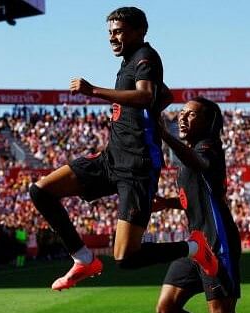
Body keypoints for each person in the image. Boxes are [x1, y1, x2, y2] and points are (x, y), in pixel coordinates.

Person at [29, 7, 217, 291]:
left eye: (118, 31)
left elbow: (145, 95)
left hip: (137, 166)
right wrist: (152, 109)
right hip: (111, 158)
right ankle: (83, 259)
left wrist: (93, 91)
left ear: (140, 31)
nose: (112, 38)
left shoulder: (146, 57)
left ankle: (194, 248)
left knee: (125, 257)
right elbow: (163, 95)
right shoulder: (129, 61)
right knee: (41, 190)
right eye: (109, 33)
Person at [153, 97, 250, 313]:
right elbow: (198, 199)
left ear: (208, 122)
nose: (182, 117)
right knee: (166, 309)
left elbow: (200, 164)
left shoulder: (209, 148)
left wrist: (165, 136)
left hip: (217, 242)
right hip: (196, 245)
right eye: (181, 113)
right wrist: (167, 203)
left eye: (191, 114)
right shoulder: (190, 155)